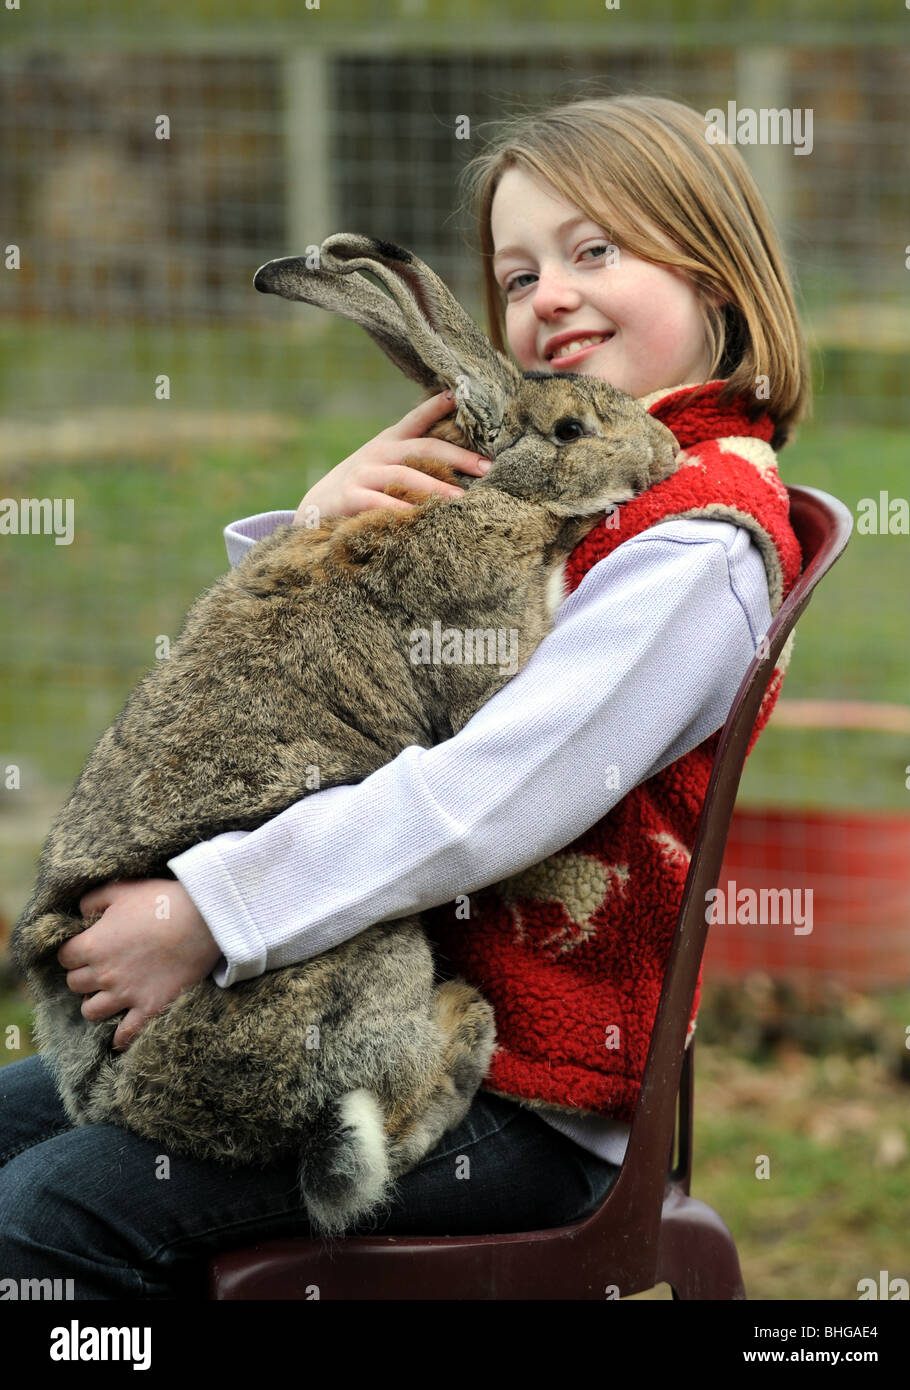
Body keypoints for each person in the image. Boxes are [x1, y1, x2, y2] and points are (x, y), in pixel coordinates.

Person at [0, 93, 809, 1300]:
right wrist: (320, 525)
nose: (548, 298)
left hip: (530, 1096)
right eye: (518, 273)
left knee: (54, 1217)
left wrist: (208, 915)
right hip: (362, 993)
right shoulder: (560, 494)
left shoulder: (699, 545)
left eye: (595, 252)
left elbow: (481, 796)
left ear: (715, 272)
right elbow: (359, 699)